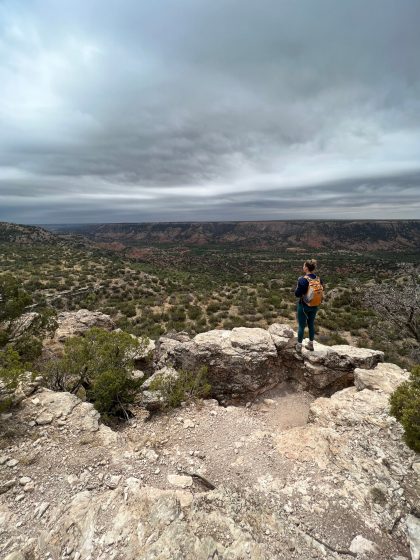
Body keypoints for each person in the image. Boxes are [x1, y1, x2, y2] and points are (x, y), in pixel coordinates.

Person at [294, 259, 324, 352]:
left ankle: (299, 346)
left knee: (301, 326)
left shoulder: (303, 280)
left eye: (303, 266)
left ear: (306, 268)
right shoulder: (318, 279)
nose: (303, 267)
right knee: (311, 324)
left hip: (304, 305)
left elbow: (297, 294)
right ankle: (311, 344)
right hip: (314, 305)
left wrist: (297, 287)